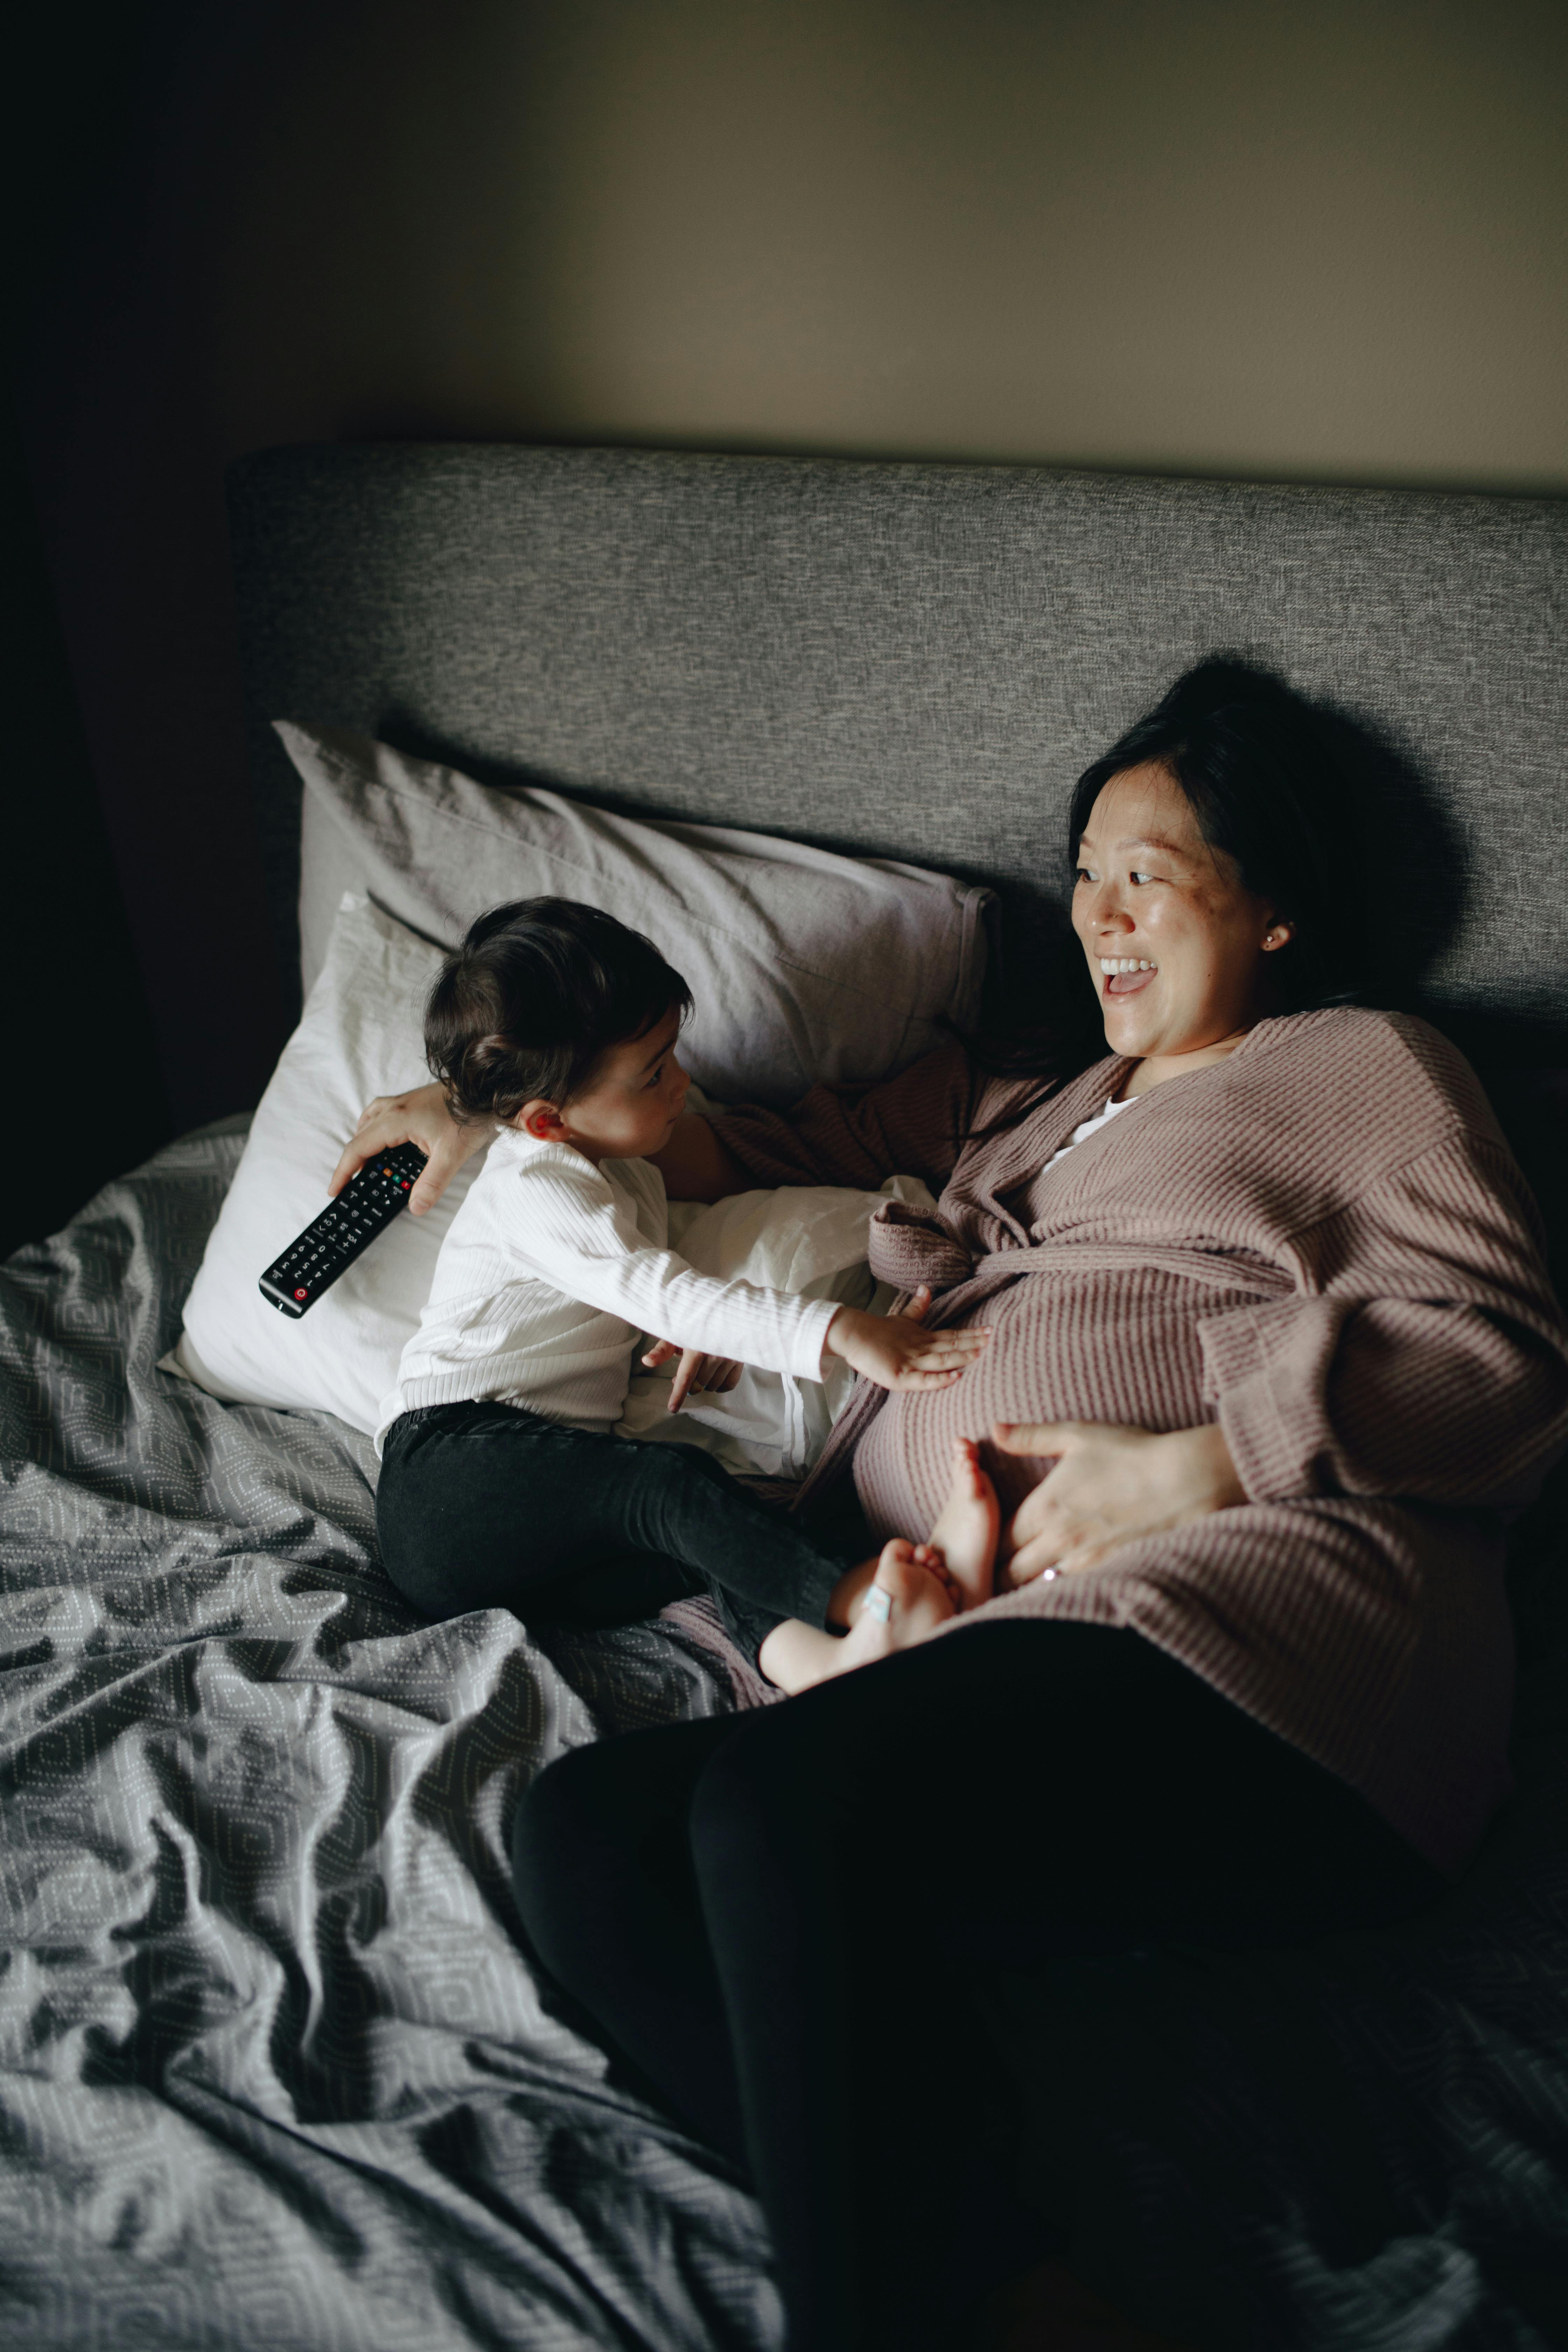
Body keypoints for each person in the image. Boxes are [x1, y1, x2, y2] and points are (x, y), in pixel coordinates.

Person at [340, 662, 1568, 2350]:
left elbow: (1509, 1364)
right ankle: (1002, 2291)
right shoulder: (1031, 1114)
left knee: (775, 1806)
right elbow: (717, 1138)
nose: (1100, 911)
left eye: (1152, 868)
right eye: (1084, 870)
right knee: (583, 1841)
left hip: (1258, 1607)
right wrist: (470, 1121)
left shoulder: (1366, 1066)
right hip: (1015, 1629)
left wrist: (1202, 1461)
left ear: (1275, 904)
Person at [372, 895, 993, 1662]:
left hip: (527, 1534)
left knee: (724, 1536)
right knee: (671, 1487)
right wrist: (843, 1332)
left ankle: (826, 1663)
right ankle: (871, 1592)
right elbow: (654, 1287)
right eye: (654, 1073)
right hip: (450, 1477)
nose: (681, 1082)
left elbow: (643, 1301)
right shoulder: (536, 1187)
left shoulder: (627, 1174)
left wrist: (701, 1332)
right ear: (544, 1121)